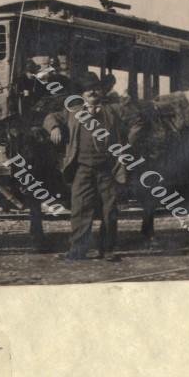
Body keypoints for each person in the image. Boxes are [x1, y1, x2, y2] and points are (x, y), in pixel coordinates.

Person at [43, 72, 144, 261]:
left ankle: (107, 250)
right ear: (82, 93)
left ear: (102, 91)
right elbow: (51, 117)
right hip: (82, 168)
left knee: (109, 210)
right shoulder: (73, 111)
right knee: (80, 209)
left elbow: (137, 121)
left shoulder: (114, 109)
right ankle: (77, 250)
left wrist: (126, 147)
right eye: (88, 89)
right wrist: (54, 127)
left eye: (96, 88)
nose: (92, 92)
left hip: (109, 168)